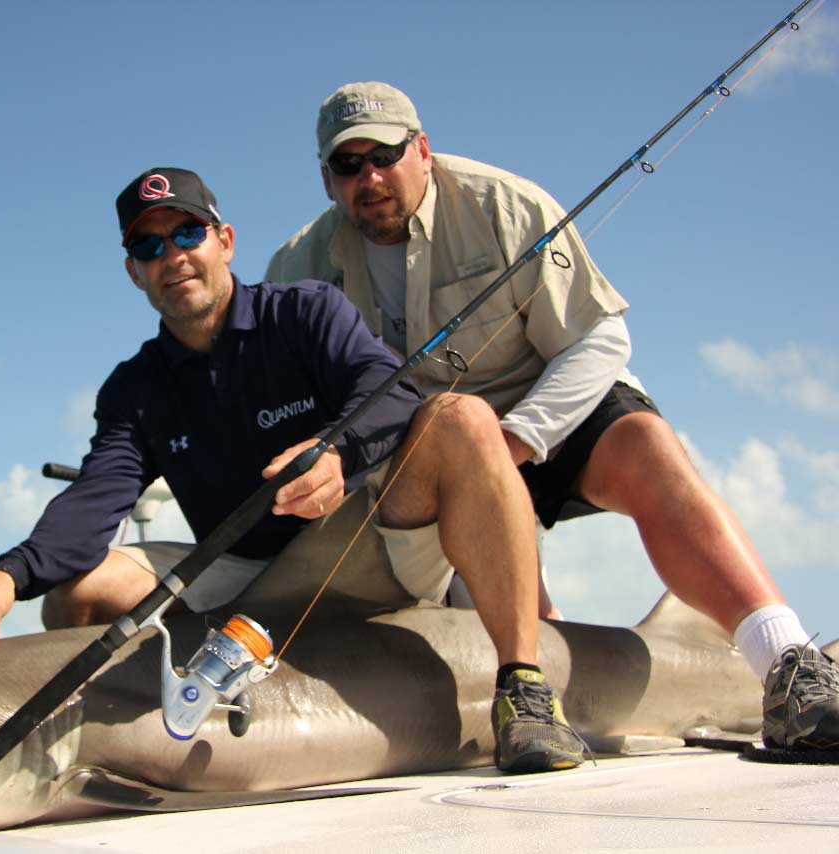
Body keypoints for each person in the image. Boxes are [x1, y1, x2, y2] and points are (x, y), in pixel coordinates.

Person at [0, 166, 587, 773]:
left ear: (225, 240)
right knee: (75, 594)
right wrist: (9, 575)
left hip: (361, 543)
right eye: (148, 247)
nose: (172, 256)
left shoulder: (303, 312)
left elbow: (388, 388)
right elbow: (96, 497)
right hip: (242, 578)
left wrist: (337, 452)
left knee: (460, 418)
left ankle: (522, 686)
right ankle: (164, 737)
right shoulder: (134, 388)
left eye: (187, 233)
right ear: (133, 272)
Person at [266, 81, 839, 753]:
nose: (370, 177)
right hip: (434, 451)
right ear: (327, 179)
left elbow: (599, 339)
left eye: (385, 155)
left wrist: (521, 437)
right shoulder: (296, 269)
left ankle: (790, 662)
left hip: (549, 404)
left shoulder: (508, 206)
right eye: (347, 164)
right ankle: (535, 655)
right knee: (459, 438)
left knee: (648, 446)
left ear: (422, 149)